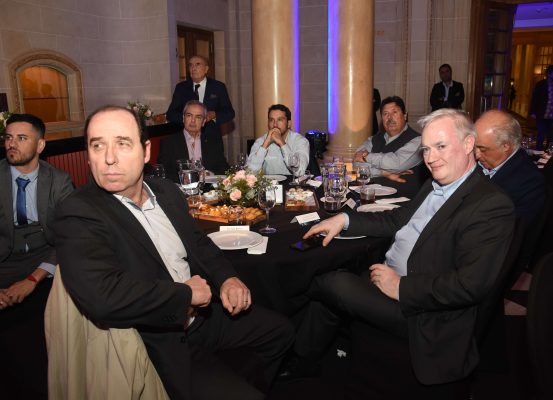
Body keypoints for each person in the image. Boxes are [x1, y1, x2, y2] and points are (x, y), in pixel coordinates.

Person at [54, 106, 294, 400]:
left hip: (203, 317)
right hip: (156, 338)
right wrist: (185, 295)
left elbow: (199, 243)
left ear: (145, 151)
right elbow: (103, 296)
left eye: (122, 143)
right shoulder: (78, 211)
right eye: (97, 145)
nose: (109, 158)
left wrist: (227, 278)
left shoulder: (166, 191)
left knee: (280, 332)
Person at [295, 109, 515, 385]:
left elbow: (469, 285)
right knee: (329, 289)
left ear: (469, 143)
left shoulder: (490, 204)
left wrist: (401, 286)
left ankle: (287, 322)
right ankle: (304, 359)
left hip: (423, 311)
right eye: (426, 149)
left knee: (329, 281)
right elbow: (397, 219)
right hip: (388, 277)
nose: (430, 158)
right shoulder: (435, 183)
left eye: (441, 146)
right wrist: (344, 219)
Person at [0, 113, 73, 399]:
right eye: (8, 137)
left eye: (21, 138)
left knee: (42, 342)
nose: (11, 144)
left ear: (40, 145)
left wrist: (33, 279)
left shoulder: (58, 181)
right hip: (4, 264)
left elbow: (68, 237)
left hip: (45, 263)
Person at [475, 110, 545, 224]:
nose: (476, 155)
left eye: (482, 149)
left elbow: (511, 230)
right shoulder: (479, 161)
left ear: (505, 146)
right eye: (474, 147)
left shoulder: (531, 185)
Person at [158, 100, 230, 181]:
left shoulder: (213, 142)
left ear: (203, 122)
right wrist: (182, 178)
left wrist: (209, 175)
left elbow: (224, 169)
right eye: (189, 115)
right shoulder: (169, 143)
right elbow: (163, 172)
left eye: (198, 117)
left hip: (208, 187)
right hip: (180, 188)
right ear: (183, 118)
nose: (193, 120)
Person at [353, 96, 423, 178]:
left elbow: (396, 164)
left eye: (394, 112)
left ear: (405, 115)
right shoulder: (374, 139)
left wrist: (367, 157)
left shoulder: (418, 140)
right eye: (385, 114)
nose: (390, 118)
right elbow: (356, 164)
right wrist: (382, 173)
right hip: (368, 186)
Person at [166, 55, 235, 134]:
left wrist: (214, 114)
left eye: (197, 64)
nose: (193, 68)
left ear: (206, 69)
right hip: (187, 136)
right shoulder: (181, 88)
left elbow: (229, 113)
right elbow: (171, 114)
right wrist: (188, 118)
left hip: (211, 135)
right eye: (190, 65)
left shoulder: (218, 87)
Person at [247, 104, 310, 176]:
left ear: (289, 124)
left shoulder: (300, 141)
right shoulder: (260, 141)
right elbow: (249, 173)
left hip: (292, 183)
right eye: (271, 120)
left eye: (280, 120)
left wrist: (282, 143)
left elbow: (299, 171)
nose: (275, 125)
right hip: (268, 182)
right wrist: (265, 144)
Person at [529, 64, 553, 150]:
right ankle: (538, 151)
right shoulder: (541, 84)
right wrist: (532, 112)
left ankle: (548, 151)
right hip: (542, 113)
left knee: (551, 135)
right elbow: (535, 98)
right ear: (548, 73)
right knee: (541, 134)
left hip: (551, 115)